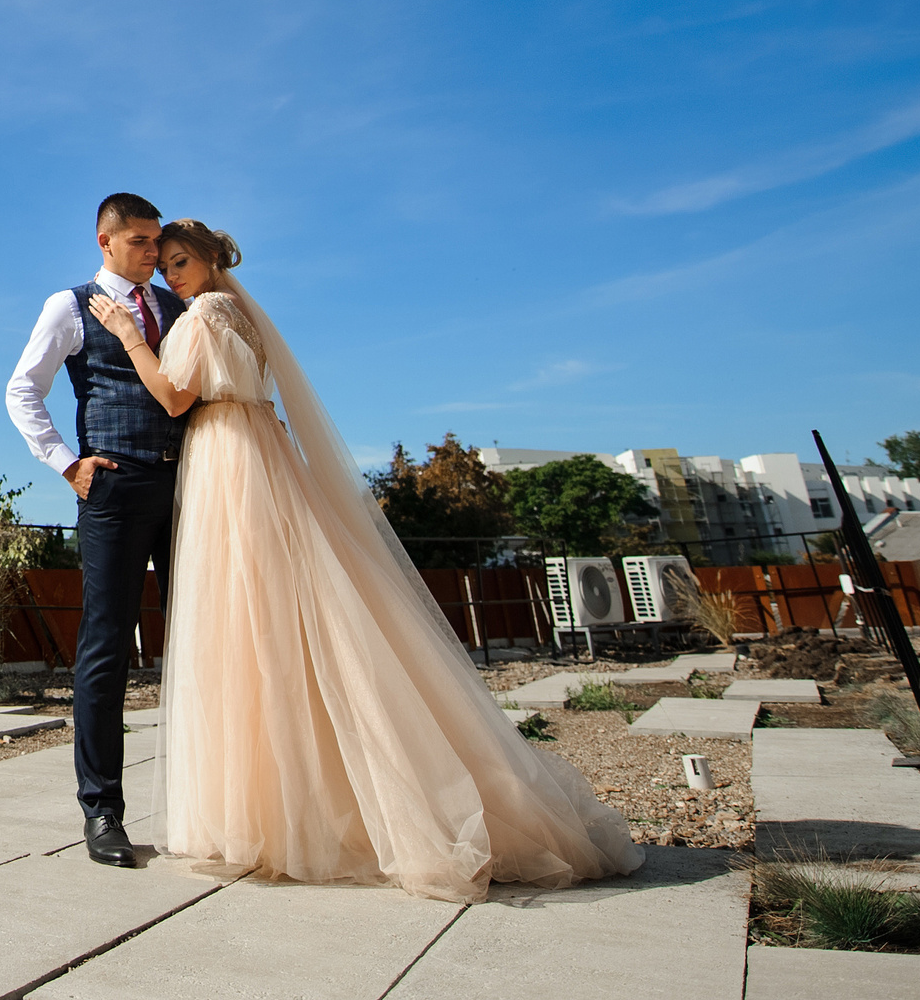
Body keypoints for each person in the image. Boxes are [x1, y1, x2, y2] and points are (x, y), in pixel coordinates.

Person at [86, 219, 643, 902]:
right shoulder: (241, 311)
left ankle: (276, 813)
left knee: (247, 621)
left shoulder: (203, 313)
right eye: (166, 263)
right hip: (257, 452)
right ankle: (300, 799)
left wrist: (129, 334)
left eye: (180, 261)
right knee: (284, 616)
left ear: (207, 259)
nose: (171, 274)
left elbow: (175, 395)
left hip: (230, 464)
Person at [5, 192, 189, 867]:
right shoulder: (70, 304)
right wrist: (66, 463)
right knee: (106, 647)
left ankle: (204, 803)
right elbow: (22, 388)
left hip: (186, 487)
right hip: (113, 489)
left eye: (157, 241)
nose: (153, 253)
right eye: (140, 241)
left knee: (198, 639)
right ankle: (103, 810)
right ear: (105, 241)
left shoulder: (175, 307)